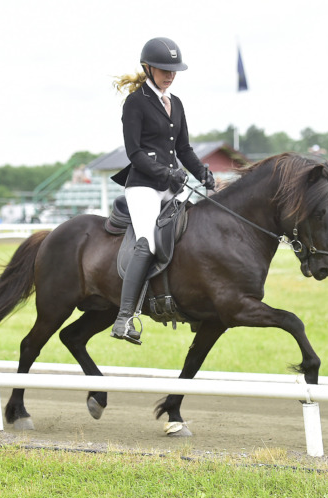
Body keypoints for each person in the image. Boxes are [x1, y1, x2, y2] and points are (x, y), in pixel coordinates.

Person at [109, 36, 214, 344]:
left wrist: (203, 173)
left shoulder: (176, 103)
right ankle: (123, 318)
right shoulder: (136, 103)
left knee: (195, 230)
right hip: (144, 187)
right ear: (148, 68)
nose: (170, 75)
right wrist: (166, 173)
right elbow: (135, 153)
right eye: (163, 69)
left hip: (170, 186)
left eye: (173, 70)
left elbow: (184, 148)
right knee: (148, 243)